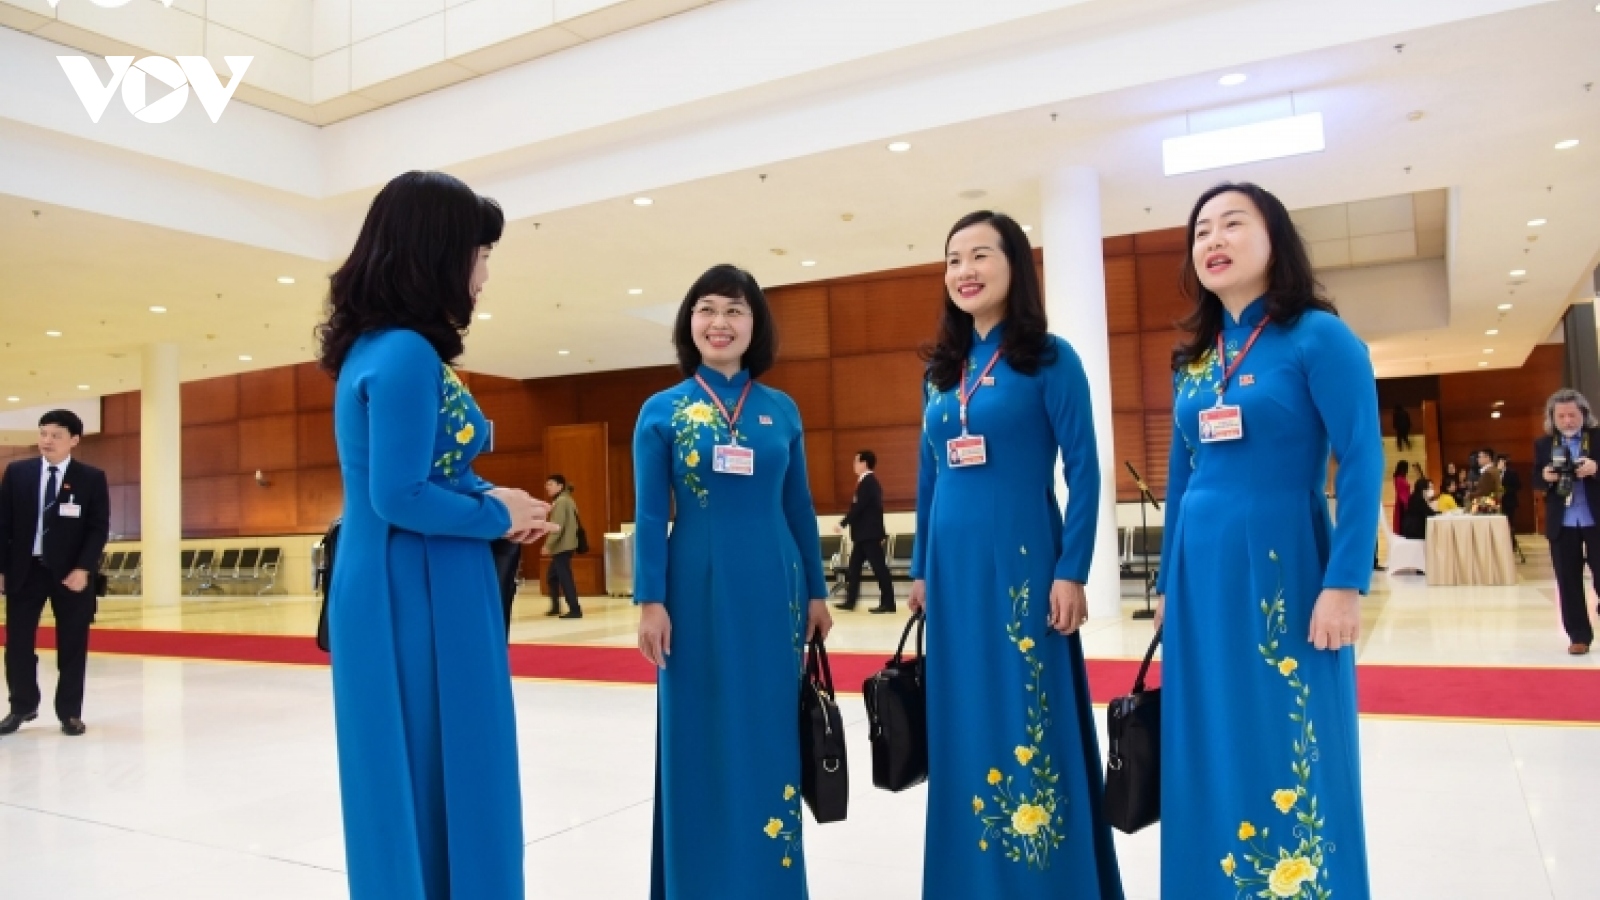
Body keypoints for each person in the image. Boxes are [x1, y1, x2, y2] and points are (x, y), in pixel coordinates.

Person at [316, 170, 552, 899]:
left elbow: (413, 478)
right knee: (442, 758)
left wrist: (492, 497)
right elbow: (400, 494)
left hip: (402, 573)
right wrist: (499, 513)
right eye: (478, 255)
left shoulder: (380, 348)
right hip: (413, 582)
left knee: (405, 766)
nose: (483, 275)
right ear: (437, 253)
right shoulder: (408, 355)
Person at [1155, 182, 1380, 899]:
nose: (1213, 241)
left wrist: (1344, 581)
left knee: (1290, 736)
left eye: (1232, 225)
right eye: (1201, 232)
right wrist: (1165, 585)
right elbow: (1181, 477)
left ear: (1274, 238)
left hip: (1285, 563)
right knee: (1207, 738)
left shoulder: (1319, 336)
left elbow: (1363, 457)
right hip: (1199, 575)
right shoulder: (1195, 360)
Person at [907, 210, 1123, 898]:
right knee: (962, 718)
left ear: (1014, 266)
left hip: (1025, 565)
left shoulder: (1050, 358)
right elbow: (929, 473)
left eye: (980, 255)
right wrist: (917, 569)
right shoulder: (942, 372)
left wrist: (1072, 570)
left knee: (1030, 711)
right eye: (952, 260)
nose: (964, 271)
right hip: (951, 573)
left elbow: (1086, 471)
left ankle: (1043, 876)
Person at [633, 263, 831, 898]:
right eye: (707, 309)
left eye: (735, 311)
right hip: (690, 591)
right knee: (697, 730)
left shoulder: (782, 410)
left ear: (756, 325)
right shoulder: (661, 411)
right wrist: (649, 600)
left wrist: (821, 590)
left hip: (776, 588)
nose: (720, 323)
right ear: (690, 322)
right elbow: (646, 511)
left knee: (770, 726)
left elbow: (798, 506)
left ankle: (766, 879)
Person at [0, 409, 109, 737]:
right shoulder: (17, 473)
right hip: (25, 571)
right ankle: (22, 705)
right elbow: (3, 525)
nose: (46, 440)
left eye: (56, 435)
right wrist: (2, 569)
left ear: (74, 440)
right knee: (17, 644)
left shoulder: (91, 478)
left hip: (71, 576)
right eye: (43, 433)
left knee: (73, 645)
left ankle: (70, 713)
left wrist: (83, 568)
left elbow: (97, 528)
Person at [1533, 389, 1600, 655]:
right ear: (1552, 418)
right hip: (1563, 522)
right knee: (1568, 580)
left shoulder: (1596, 438)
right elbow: (1535, 478)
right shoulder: (1543, 444)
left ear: (1583, 414)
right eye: (1561, 416)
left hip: (1595, 518)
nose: (1567, 421)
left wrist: (1596, 469)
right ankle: (1578, 635)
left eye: (1572, 414)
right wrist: (1546, 476)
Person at [834, 450, 895, 613]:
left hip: (870, 534)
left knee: (879, 568)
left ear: (864, 463)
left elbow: (860, 507)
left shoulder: (869, 482)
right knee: (854, 568)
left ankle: (888, 603)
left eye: (856, 462)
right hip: (863, 535)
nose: (853, 465)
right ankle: (850, 601)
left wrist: (843, 523)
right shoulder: (864, 482)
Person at [541, 474, 583, 619]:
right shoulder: (567, 499)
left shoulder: (561, 501)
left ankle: (575, 609)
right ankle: (555, 607)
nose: (547, 487)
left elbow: (557, 526)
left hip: (562, 546)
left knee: (565, 577)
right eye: (547, 484)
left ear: (560, 486)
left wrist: (548, 545)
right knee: (552, 576)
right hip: (566, 544)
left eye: (551, 484)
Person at [1391, 459, 1411, 534]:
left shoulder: (1401, 478)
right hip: (1402, 502)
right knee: (1402, 520)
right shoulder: (1399, 479)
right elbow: (1401, 493)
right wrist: (1406, 504)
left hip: (1404, 500)